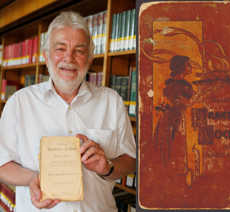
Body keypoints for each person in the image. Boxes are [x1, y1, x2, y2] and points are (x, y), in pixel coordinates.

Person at [0, 11, 136, 212]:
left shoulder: (111, 101)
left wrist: (107, 166)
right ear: (46, 56)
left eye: (79, 51)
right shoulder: (19, 102)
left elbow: (131, 162)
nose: (69, 58)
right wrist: (33, 179)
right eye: (60, 48)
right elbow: (2, 165)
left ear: (89, 58)